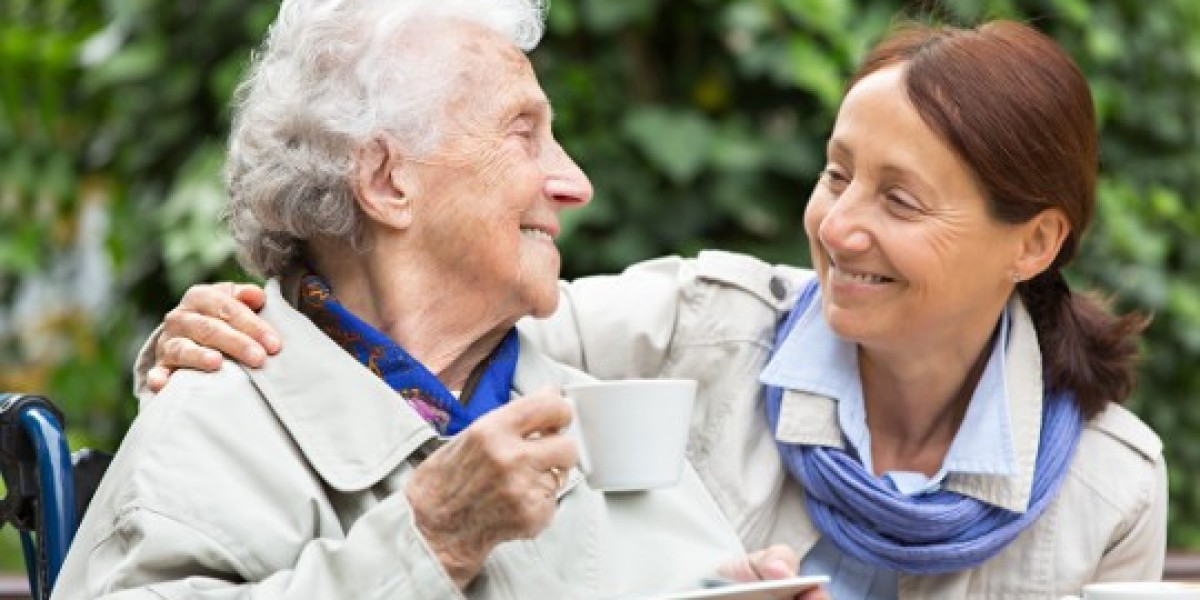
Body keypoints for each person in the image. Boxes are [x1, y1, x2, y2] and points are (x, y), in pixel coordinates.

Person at [143, 19, 1168, 599]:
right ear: (387, 179)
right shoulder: (686, 333)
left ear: (1034, 243)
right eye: (836, 174)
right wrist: (226, 335)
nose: (837, 226)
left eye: (899, 201)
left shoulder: (1108, 481)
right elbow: (396, 343)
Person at [53, 0, 827, 598]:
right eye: (524, 134)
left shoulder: (588, 409)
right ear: (390, 182)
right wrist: (428, 540)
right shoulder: (217, 420)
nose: (574, 183)